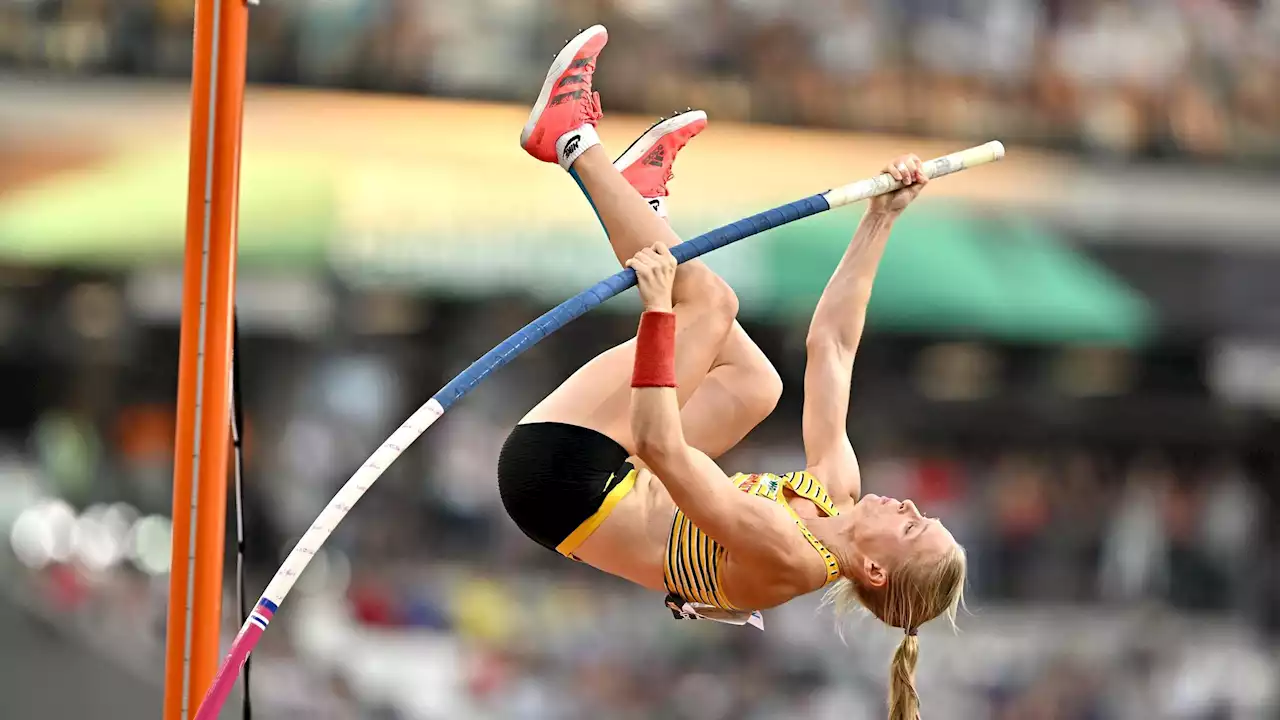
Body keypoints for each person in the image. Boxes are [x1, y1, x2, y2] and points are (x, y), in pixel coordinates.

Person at [497, 25, 966, 720]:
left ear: (873, 570)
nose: (906, 507)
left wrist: (659, 314)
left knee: (707, 303)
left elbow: (661, 444)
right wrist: (880, 219)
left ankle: (568, 142)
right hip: (625, 470)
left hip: (562, 482)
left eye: (912, 528)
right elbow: (832, 346)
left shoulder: (788, 554)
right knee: (758, 385)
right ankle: (639, 207)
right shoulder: (835, 494)